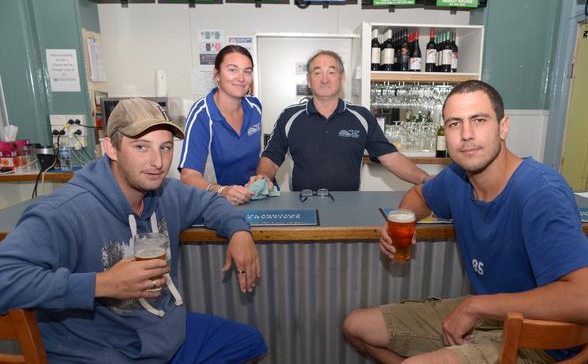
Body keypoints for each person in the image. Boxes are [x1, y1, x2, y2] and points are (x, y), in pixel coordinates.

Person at [342, 80, 588, 364]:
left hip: (540, 339)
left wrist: (475, 306)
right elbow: (419, 194)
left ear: (503, 127)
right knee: (356, 326)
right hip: (491, 315)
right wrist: (404, 221)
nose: (466, 134)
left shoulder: (539, 192)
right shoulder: (457, 177)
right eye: (454, 124)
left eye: (479, 120)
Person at [0, 98, 267, 363]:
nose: (158, 162)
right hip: (97, 350)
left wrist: (240, 232)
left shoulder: (165, 193)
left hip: (161, 335)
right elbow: (5, 279)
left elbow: (212, 202)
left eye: (165, 148)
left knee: (249, 343)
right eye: (141, 147)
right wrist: (102, 284)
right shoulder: (64, 211)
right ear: (111, 149)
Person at [256, 50, 429, 191]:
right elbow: (271, 158)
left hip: (350, 206)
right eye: (317, 73)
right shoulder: (289, 116)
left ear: (342, 78)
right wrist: (262, 179)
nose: (325, 79)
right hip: (303, 204)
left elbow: (390, 157)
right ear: (308, 81)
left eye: (331, 72)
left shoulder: (362, 116)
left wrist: (425, 179)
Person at [178, 45, 263, 205]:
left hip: (255, 198)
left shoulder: (255, 106)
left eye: (247, 71)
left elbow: (257, 157)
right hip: (219, 203)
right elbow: (188, 177)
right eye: (232, 70)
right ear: (216, 75)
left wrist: (261, 178)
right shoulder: (202, 114)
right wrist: (222, 191)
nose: (241, 78)